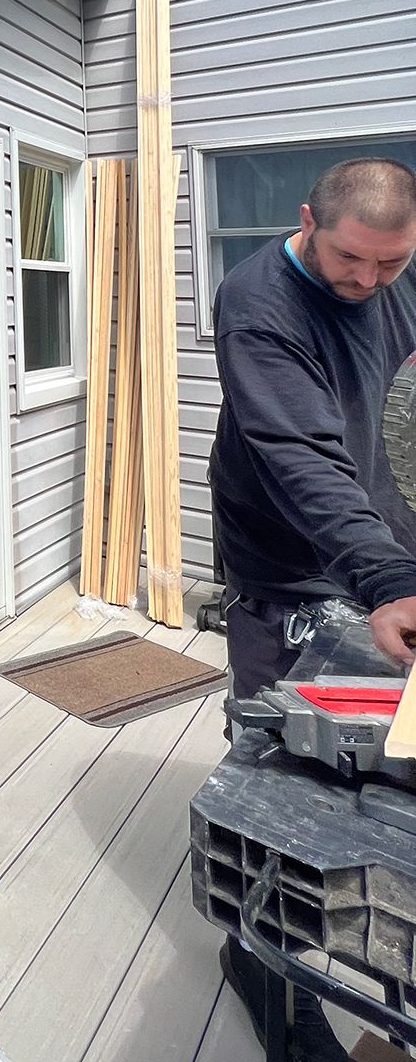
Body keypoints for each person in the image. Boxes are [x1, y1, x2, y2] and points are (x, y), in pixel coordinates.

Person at [211, 157, 416, 704]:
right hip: (289, 560)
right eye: (348, 256)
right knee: (278, 737)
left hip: (386, 536)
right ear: (308, 223)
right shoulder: (258, 308)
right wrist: (392, 582)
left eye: (391, 262)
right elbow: (301, 458)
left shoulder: (398, 263)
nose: (368, 280)